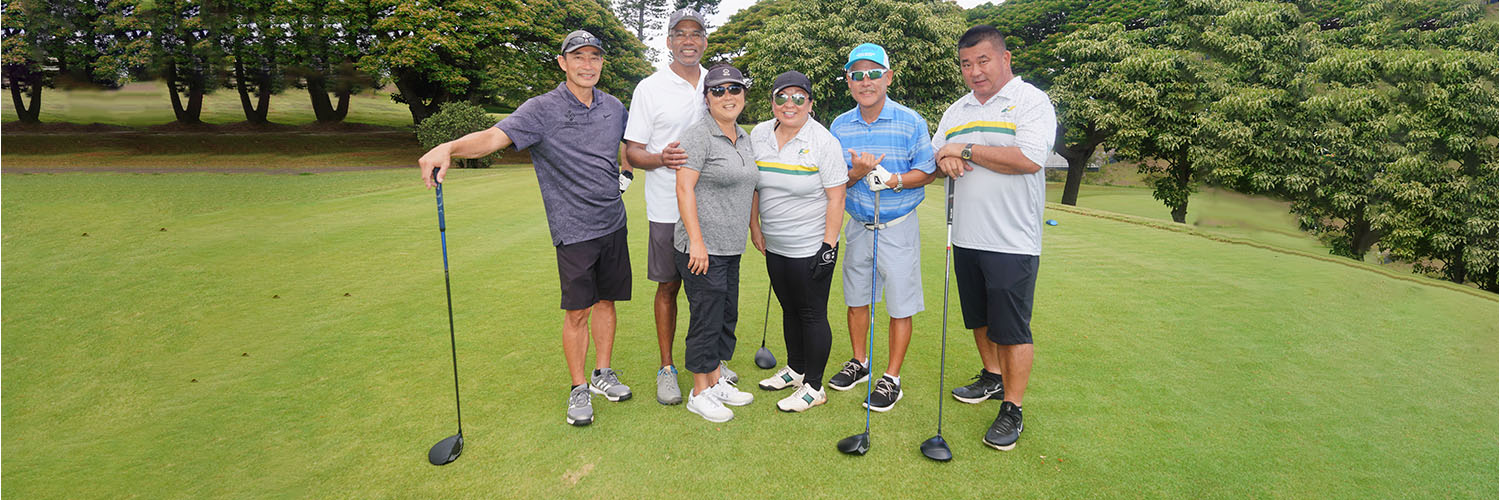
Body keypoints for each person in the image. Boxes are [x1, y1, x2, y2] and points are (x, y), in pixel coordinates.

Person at [417, 30, 634, 427]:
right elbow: (491, 138)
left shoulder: (615, 107)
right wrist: (448, 147)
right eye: (579, 57)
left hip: (613, 223)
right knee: (578, 312)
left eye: (594, 58)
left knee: (608, 302)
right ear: (562, 62)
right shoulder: (541, 110)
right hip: (573, 230)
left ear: (602, 63)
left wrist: (627, 174)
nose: (587, 65)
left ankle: (603, 373)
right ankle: (579, 387)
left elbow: (626, 147)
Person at [931, 25, 1057, 451]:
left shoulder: (1031, 101)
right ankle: (991, 376)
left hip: (1013, 240)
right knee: (980, 318)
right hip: (966, 235)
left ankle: (1013, 407)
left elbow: (1027, 159)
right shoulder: (958, 109)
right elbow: (937, 152)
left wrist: (964, 150)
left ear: (1005, 59)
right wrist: (945, 159)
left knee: (1013, 328)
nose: (975, 71)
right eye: (967, 64)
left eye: (983, 60)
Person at [623, 8, 741, 405]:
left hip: (712, 211)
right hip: (665, 208)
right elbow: (632, 152)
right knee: (670, 286)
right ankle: (667, 367)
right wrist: (662, 159)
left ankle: (709, 365)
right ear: (669, 40)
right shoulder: (650, 88)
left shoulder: (715, 83)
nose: (688, 40)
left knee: (713, 291)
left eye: (696, 33)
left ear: (705, 40)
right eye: (680, 33)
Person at [825, 43, 937, 413]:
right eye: (857, 75)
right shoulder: (840, 125)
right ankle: (860, 362)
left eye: (874, 73)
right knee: (857, 298)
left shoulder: (911, 121)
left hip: (897, 225)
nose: (866, 81)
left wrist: (896, 180)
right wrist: (856, 174)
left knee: (899, 305)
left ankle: (891, 378)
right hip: (858, 224)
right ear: (849, 82)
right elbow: (834, 179)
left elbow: (928, 171)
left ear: (888, 77)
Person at [747, 71, 848, 413]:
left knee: (812, 312)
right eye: (781, 97)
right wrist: (755, 226)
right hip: (775, 243)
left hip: (811, 246)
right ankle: (796, 369)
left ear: (810, 103)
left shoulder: (823, 142)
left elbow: (837, 198)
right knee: (789, 308)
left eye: (798, 97)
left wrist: (828, 246)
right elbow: (756, 185)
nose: (789, 104)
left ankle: (814, 387)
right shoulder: (759, 134)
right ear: (772, 101)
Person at [674, 64, 759, 423]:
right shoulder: (698, 136)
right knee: (706, 318)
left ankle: (717, 377)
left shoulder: (745, 136)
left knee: (726, 316)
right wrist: (696, 240)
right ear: (707, 98)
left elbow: (751, 186)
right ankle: (700, 391)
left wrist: (755, 229)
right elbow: (684, 187)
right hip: (701, 248)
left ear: (743, 95)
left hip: (731, 245)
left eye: (734, 89)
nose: (728, 96)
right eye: (719, 90)